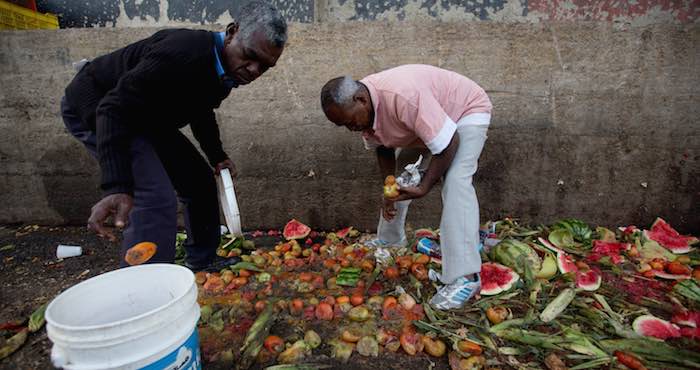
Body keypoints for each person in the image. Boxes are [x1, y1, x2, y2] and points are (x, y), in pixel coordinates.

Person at [61, 1, 286, 270]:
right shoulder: (182, 52)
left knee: (199, 180)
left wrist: (216, 155)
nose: (253, 70)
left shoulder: (225, 71)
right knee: (155, 195)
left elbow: (201, 110)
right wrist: (116, 185)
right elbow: (112, 109)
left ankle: (202, 262)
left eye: (264, 67)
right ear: (232, 32)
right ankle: (146, 287)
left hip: (147, 116)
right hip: (99, 106)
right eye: (250, 55)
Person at [320, 64, 492, 309]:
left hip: (464, 111)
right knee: (402, 179)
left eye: (350, 121)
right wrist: (388, 188)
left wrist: (425, 187)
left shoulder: (403, 97)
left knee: (455, 180)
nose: (351, 128)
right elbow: (383, 146)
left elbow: (449, 142)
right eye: (343, 126)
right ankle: (390, 240)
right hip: (429, 122)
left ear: (361, 99)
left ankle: (465, 277)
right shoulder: (364, 107)